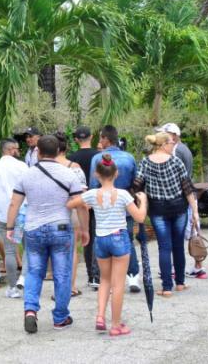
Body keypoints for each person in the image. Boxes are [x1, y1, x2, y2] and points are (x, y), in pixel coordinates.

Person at [5, 135, 89, 334]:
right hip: (61, 228)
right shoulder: (69, 174)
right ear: (59, 150)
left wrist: (10, 228)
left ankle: (30, 311)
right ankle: (60, 317)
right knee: (62, 273)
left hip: (33, 228)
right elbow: (81, 205)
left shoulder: (26, 175)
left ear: (38, 152)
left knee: (34, 272)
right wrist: (85, 230)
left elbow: (14, 204)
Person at [68, 154, 148, 336]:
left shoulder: (91, 195)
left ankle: (100, 316)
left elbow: (71, 203)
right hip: (119, 238)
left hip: (101, 239)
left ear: (97, 174)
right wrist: (143, 202)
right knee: (118, 284)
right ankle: (116, 325)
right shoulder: (123, 195)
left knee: (104, 280)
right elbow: (140, 217)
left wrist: (84, 206)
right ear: (116, 173)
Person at [133, 132, 199, 296]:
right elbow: (187, 188)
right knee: (178, 246)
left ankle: (167, 287)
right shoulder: (176, 162)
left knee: (164, 247)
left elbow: (137, 186)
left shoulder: (145, 163)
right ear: (162, 144)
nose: (173, 145)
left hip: (158, 210)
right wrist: (195, 211)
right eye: (171, 142)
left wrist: (139, 202)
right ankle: (180, 283)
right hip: (179, 208)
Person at [89, 126, 141, 293]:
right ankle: (133, 276)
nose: (99, 141)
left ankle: (106, 280)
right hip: (125, 203)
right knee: (127, 241)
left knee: (103, 240)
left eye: (100, 138)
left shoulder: (97, 158)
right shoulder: (129, 157)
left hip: (104, 206)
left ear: (105, 139)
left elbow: (93, 184)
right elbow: (137, 182)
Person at [158, 122, 206, 280]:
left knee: (176, 232)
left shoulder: (175, 152)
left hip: (181, 196)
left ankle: (173, 269)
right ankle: (199, 267)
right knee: (193, 231)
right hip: (189, 194)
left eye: (164, 135)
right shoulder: (184, 148)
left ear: (172, 135)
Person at [0, 138, 28, 298]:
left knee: (10, 251)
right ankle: (24, 277)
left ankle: (12, 287)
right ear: (11, 149)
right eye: (17, 148)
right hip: (23, 212)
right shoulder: (22, 166)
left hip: (3, 214)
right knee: (28, 248)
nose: (18, 151)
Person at [54, 132, 86, 297]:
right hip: (70, 212)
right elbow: (81, 196)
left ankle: (58, 287)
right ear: (66, 147)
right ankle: (70, 286)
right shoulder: (74, 167)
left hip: (51, 213)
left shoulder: (43, 166)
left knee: (56, 251)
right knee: (72, 250)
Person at [69, 125, 101, 288]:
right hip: (98, 199)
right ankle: (97, 275)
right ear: (92, 136)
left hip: (79, 201)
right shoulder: (99, 156)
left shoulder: (72, 159)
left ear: (76, 139)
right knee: (96, 235)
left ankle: (91, 274)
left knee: (85, 236)